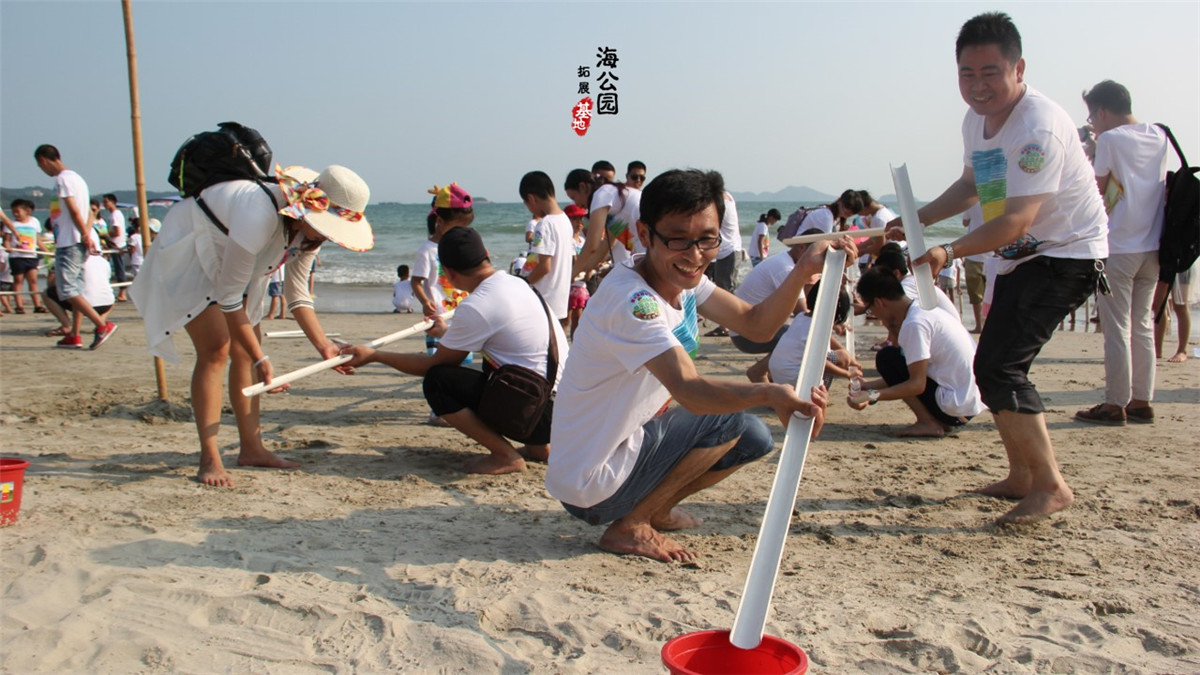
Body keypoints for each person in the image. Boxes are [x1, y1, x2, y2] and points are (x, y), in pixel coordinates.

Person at [546, 169, 845, 563]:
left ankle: (653, 509)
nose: (694, 255)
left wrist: (804, 270)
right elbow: (690, 389)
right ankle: (632, 525)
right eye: (678, 240)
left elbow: (757, 325)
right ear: (645, 233)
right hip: (591, 479)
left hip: (619, 454)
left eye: (707, 239)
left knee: (754, 437)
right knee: (729, 421)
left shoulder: (684, 281)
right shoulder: (634, 301)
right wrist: (770, 393)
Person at [897, 12, 1107, 524]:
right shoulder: (976, 121)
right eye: (967, 74)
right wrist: (915, 220)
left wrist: (948, 251)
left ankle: (1051, 485)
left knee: (1000, 368)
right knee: (993, 365)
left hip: (1067, 254)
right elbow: (971, 185)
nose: (978, 86)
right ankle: (1021, 476)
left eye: (990, 72)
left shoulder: (1037, 128)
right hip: (1020, 260)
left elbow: (1015, 220)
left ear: (1019, 68)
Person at [129, 164, 375, 487]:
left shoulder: (306, 232)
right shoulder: (259, 213)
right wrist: (263, 359)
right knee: (217, 349)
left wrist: (324, 345)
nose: (329, 237)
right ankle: (210, 456)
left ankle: (252, 448)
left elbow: (298, 294)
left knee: (244, 352)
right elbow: (230, 297)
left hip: (234, 264)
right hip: (191, 248)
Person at [342, 226, 570, 475]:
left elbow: (434, 364)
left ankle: (505, 456)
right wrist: (445, 333)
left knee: (439, 382)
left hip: (537, 413)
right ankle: (538, 449)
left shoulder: (477, 304)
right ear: (486, 254)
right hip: (565, 409)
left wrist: (375, 355)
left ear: (448, 274)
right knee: (505, 368)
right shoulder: (517, 283)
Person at [1074, 80, 1168, 426]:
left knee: (1116, 328)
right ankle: (1142, 399)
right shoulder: (1159, 135)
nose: (1093, 124)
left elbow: (1097, 190)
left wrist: (1090, 150)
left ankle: (1115, 403)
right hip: (1153, 244)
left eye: (1092, 116)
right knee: (1142, 324)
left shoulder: (1111, 140)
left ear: (1101, 111)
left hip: (1117, 245)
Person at [848, 267, 986, 436]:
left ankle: (927, 422)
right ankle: (935, 420)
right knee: (893, 358)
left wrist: (871, 396)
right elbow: (910, 371)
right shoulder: (923, 310)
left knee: (887, 358)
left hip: (956, 407)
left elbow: (916, 384)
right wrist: (867, 386)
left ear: (879, 302)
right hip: (969, 403)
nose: (874, 315)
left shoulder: (914, 324)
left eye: (870, 309)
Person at [34, 144, 117, 350]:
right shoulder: (78, 179)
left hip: (69, 241)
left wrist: (85, 234)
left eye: (39, 165)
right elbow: (89, 212)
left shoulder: (63, 180)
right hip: (76, 240)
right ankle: (74, 335)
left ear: (44, 160)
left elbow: (74, 210)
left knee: (67, 289)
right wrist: (87, 233)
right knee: (76, 288)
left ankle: (101, 325)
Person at [727, 226, 821, 382]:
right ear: (802, 247)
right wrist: (837, 348)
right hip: (746, 335)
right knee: (802, 338)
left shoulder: (785, 261)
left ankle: (770, 374)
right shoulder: (786, 269)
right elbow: (803, 314)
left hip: (746, 328)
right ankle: (759, 371)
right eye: (819, 256)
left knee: (795, 332)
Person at [767, 279, 858, 389]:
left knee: (842, 355)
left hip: (778, 375)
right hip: (793, 378)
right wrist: (847, 374)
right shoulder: (819, 327)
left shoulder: (801, 317)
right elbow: (821, 363)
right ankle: (814, 395)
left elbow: (828, 341)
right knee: (841, 358)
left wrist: (853, 362)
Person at [565, 168, 643, 279]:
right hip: (649, 251)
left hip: (649, 252)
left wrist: (570, 276)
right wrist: (588, 268)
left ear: (583, 187)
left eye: (574, 197)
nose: (576, 204)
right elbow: (608, 242)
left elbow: (592, 245)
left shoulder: (601, 195)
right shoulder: (613, 200)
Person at [519, 171, 574, 323]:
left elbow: (545, 267)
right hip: (559, 300)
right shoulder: (565, 220)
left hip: (544, 299)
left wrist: (524, 284)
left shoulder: (544, 225)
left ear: (531, 198)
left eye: (528, 205)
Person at [0, 199, 48, 314]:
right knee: (18, 280)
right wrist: (7, 247)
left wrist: (46, 252)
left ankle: (37, 305)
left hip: (31, 255)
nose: (15, 214)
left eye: (18, 211)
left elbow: (38, 240)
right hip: (17, 256)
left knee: (33, 280)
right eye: (13, 212)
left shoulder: (34, 222)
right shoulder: (12, 223)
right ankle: (19, 305)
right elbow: (7, 240)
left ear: (28, 211)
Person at [1155, 264, 1195, 363]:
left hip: (1183, 263)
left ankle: (1182, 351)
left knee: (1180, 306)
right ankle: (1157, 350)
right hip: (1164, 263)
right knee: (1158, 306)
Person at [961, 202, 988, 332]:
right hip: (993, 253)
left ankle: (979, 325)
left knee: (976, 294)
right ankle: (989, 324)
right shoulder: (997, 196)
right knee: (993, 292)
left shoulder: (971, 201)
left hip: (973, 253)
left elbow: (965, 222)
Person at [565, 203, 590, 338]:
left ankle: (573, 348)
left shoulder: (582, 239)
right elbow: (576, 261)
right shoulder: (568, 240)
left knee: (578, 320)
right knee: (566, 320)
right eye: (574, 219)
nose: (579, 223)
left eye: (581, 219)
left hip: (581, 284)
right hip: (570, 284)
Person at [102, 194, 129, 302]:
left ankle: (122, 292)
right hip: (115, 244)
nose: (104, 204)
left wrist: (105, 234)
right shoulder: (113, 215)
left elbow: (117, 232)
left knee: (119, 269)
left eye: (106, 202)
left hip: (117, 245)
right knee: (117, 268)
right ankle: (121, 292)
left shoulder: (115, 215)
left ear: (112, 202)